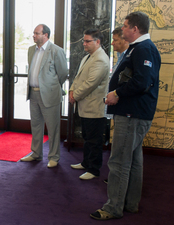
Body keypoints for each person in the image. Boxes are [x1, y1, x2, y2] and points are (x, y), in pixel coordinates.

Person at [90, 11, 161, 220]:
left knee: (119, 162)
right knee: (134, 161)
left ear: (135, 29)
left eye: (125, 25)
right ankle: (130, 204)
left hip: (132, 115)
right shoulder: (138, 48)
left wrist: (116, 93)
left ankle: (113, 208)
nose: (122, 29)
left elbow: (142, 82)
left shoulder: (144, 48)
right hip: (133, 114)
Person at [19, 24, 68, 168]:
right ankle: (36, 153)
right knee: (36, 125)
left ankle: (53, 156)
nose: (33, 35)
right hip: (33, 93)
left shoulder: (56, 51)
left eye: (36, 33)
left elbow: (63, 73)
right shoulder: (30, 50)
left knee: (53, 128)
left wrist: (51, 87)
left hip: (50, 95)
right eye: (33, 33)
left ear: (45, 35)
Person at [69, 29, 109, 180]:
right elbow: (78, 78)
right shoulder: (88, 57)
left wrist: (75, 96)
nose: (84, 44)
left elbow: (90, 84)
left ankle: (93, 169)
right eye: (83, 41)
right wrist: (72, 90)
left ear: (97, 42)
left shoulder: (101, 59)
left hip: (94, 107)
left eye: (87, 41)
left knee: (94, 140)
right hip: (85, 105)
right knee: (87, 137)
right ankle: (86, 163)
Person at [104, 27, 129, 184]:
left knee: (122, 152)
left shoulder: (130, 57)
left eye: (115, 40)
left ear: (124, 40)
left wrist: (116, 94)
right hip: (117, 107)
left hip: (126, 109)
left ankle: (119, 183)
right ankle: (115, 179)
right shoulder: (121, 55)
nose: (112, 43)